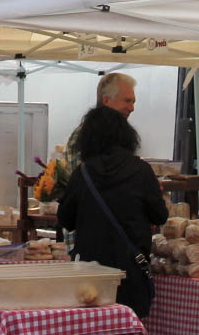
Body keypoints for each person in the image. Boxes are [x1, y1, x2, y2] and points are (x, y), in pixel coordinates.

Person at [58, 105, 167, 319]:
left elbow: (65, 219)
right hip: (130, 271)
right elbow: (160, 216)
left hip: (90, 273)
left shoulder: (83, 173)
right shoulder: (142, 171)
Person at [64, 72, 137, 169]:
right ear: (106, 100)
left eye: (133, 102)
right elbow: (80, 178)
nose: (132, 108)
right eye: (127, 101)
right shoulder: (83, 135)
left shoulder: (122, 134)